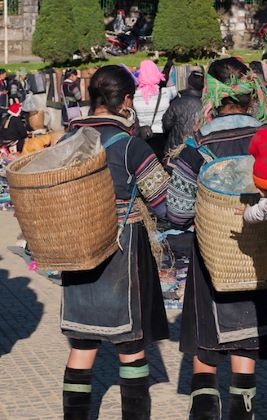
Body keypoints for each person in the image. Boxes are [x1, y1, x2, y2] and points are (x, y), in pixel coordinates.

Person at [167, 58, 267, 420]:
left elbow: (178, 214)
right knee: (245, 350)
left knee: (206, 351)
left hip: (211, 265)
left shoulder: (196, 148)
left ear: (211, 97)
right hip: (260, 260)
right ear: (252, 94)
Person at [59, 65, 170, 420]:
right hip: (124, 250)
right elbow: (164, 203)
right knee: (131, 346)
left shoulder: (66, 142)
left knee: (81, 344)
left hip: (77, 250)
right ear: (126, 101)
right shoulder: (131, 147)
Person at [133, 60, 177, 161]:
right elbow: (175, 89)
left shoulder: (134, 96)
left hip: (142, 136)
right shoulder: (165, 93)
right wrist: (169, 74)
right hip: (162, 137)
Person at [162, 70, 204, 158]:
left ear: (188, 83)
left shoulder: (177, 102)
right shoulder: (207, 104)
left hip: (175, 150)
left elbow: (166, 125)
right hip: (199, 151)